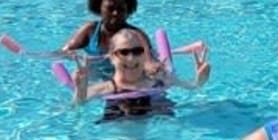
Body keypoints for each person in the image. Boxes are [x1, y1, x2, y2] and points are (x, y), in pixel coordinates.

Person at [72, 27, 210, 120]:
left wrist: (201, 79)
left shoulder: (161, 80)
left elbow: (193, 87)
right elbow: (77, 107)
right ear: (112, 57)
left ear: (145, 55)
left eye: (137, 51)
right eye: (124, 52)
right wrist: (81, 90)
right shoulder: (104, 89)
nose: (131, 58)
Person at [62, 0, 151, 78]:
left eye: (120, 9)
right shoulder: (90, 31)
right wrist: (80, 57)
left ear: (128, 10)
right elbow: (64, 52)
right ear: (99, 7)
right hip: (96, 80)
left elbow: (150, 61)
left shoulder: (137, 35)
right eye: (110, 8)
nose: (115, 13)